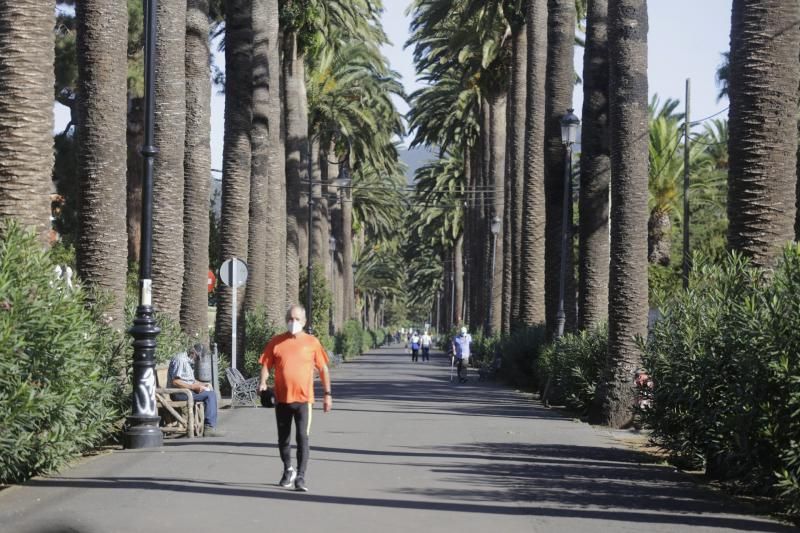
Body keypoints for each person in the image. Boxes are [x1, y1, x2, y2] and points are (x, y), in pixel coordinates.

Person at [258, 304, 332, 492]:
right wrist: (263, 382)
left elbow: (323, 368)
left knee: (302, 438)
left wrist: (327, 394)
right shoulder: (277, 341)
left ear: (304, 322)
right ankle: (288, 469)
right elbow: (266, 364)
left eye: (297, 319)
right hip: (282, 399)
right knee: (283, 439)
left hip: (304, 400)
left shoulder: (312, 342)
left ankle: (300, 477)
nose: (293, 322)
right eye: (290, 318)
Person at [166, 345, 224, 437]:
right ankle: (208, 428)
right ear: (193, 353)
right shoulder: (181, 360)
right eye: (197, 357)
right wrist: (193, 387)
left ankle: (209, 425)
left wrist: (202, 385)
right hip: (179, 393)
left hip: (186, 390)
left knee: (210, 392)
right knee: (210, 395)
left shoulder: (187, 361)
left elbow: (190, 380)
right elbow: (176, 382)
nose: (197, 360)